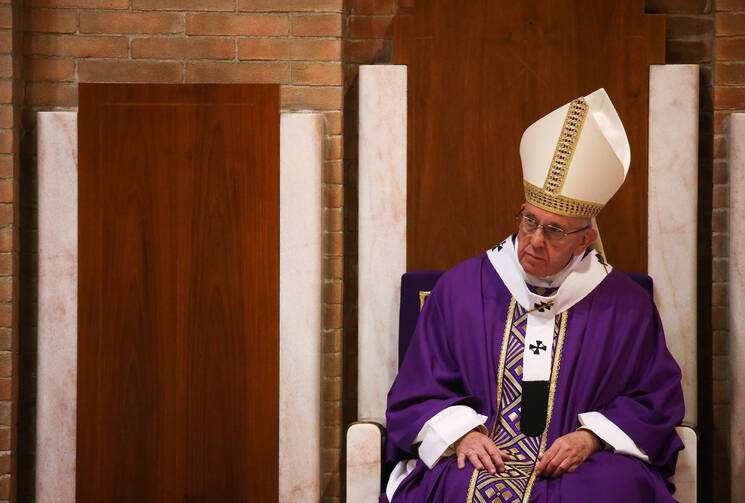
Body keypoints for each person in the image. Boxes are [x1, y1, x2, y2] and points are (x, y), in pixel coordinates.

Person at [382, 89, 685, 502]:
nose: (535, 241)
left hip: (581, 463)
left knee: (615, 488)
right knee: (455, 486)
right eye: (529, 221)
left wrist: (592, 437)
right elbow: (418, 389)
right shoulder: (460, 290)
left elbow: (654, 397)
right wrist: (462, 433)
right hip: (481, 455)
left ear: (585, 240)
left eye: (554, 230)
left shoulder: (626, 305)